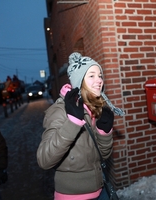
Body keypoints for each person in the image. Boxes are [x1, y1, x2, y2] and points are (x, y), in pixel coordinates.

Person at [37, 52, 125, 200]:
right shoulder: (60, 111)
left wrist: (104, 133)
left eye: (100, 75)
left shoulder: (93, 107)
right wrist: (72, 123)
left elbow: (102, 156)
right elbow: (44, 160)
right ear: (79, 81)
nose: (99, 80)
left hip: (100, 190)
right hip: (73, 196)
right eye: (92, 75)